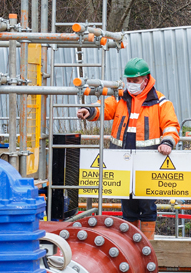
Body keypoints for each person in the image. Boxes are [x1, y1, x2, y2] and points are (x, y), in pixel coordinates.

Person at [76, 57, 180, 240]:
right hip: (122, 161)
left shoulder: (161, 103)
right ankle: (132, 244)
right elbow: (104, 107)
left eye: (135, 81)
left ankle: (147, 244)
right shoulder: (121, 99)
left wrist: (168, 142)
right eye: (129, 81)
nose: (131, 84)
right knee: (128, 203)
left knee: (147, 204)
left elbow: (171, 125)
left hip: (147, 163)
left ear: (146, 79)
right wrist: (89, 111)